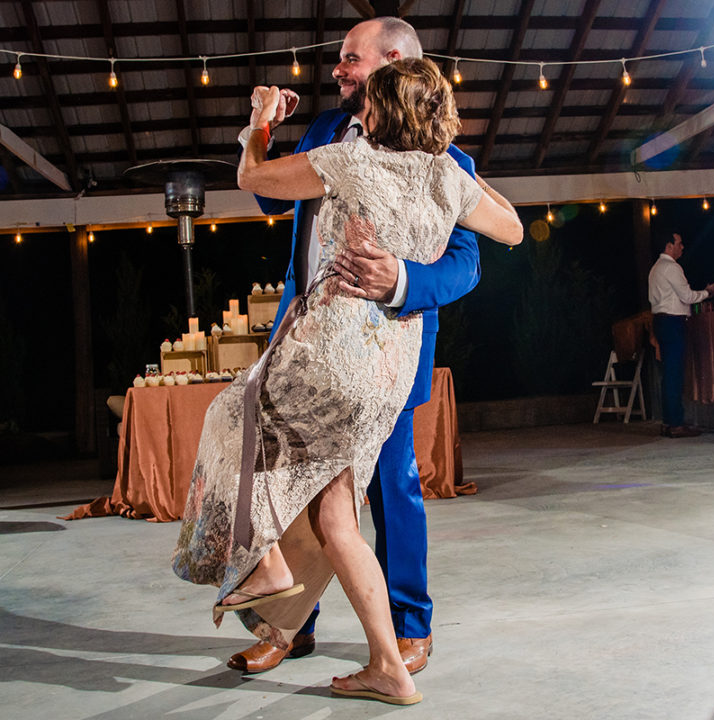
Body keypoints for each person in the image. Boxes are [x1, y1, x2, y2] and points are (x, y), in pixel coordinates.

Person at [172, 57, 522, 705]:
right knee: (338, 517)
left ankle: (265, 567)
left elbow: (252, 175)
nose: (355, 103)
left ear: (381, 111)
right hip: (388, 366)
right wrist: (463, 181)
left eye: (368, 97)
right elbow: (513, 228)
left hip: (332, 348)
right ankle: (387, 666)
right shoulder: (448, 175)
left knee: (228, 415)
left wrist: (256, 123)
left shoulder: (347, 160)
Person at [230, 17, 480, 675]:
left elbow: (466, 263)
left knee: (389, 492)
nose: (335, 69)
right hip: (306, 347)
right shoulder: (324, 132)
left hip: (386, 356)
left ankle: (409, 630)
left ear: (392, 60)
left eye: (348, 58)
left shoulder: (445, 159)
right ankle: (289, 629)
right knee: (295, 491)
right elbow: (266, 198)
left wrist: (400, 280)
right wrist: (270, 137)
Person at [647, 232, 714, 438]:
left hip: (660, 321)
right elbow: (687, 296)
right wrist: (708, 293)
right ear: (669, 246)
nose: (682, 247)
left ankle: (669, 421)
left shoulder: (654, 269)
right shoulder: (671, 267)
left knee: (668, 373)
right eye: (679, 243)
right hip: (672, 322)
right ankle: (676, 423)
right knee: (674, 373)